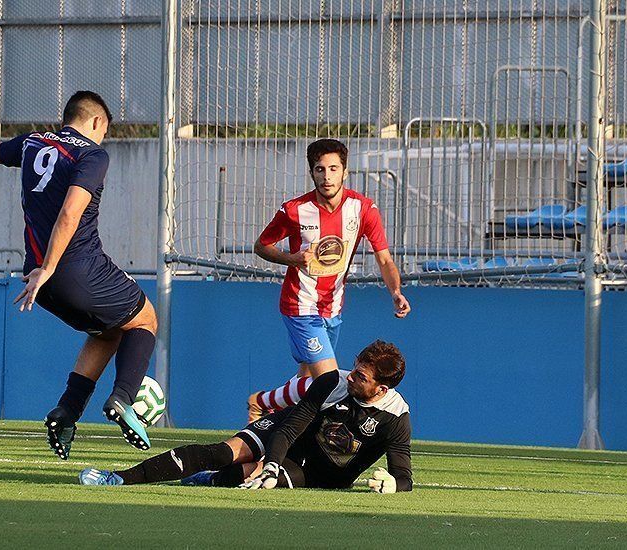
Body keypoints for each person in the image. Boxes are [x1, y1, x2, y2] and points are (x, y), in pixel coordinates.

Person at [0, 91, 158, 460]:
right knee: (146, 319)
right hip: (73, 268)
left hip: (38, 280)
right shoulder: (91, 154)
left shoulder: (32, 142)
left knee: (106, 332)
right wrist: (52, 266)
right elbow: (71, 213)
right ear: (96, 122)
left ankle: (67, 411)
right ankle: (124, 399)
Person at [79, 340, 412, 493]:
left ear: (381, 389)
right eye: (355, 369)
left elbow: (404, 477)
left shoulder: (396, 418)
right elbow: (291, 427)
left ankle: (208, 479)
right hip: (289, 436)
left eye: (362, 377)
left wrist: (392, 484)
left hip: (324, 474)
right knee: (222, 452)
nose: (351, 377)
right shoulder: (333, 382)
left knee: (243, 476)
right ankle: (119, 478)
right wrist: (272, 462)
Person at [247, 139, 411, 421]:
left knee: (307, 382)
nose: (327, 176)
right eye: (320, 169)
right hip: (300, 304)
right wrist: (293, 259)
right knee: (329, 382)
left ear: (344, 171)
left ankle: (267, 411)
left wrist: (395, 291)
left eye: (333, 169)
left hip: (332, 307)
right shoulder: (295, 210)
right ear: (312, 173)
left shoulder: (363, 209)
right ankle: (266, 405)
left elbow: (384, 258)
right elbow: (262, 246)